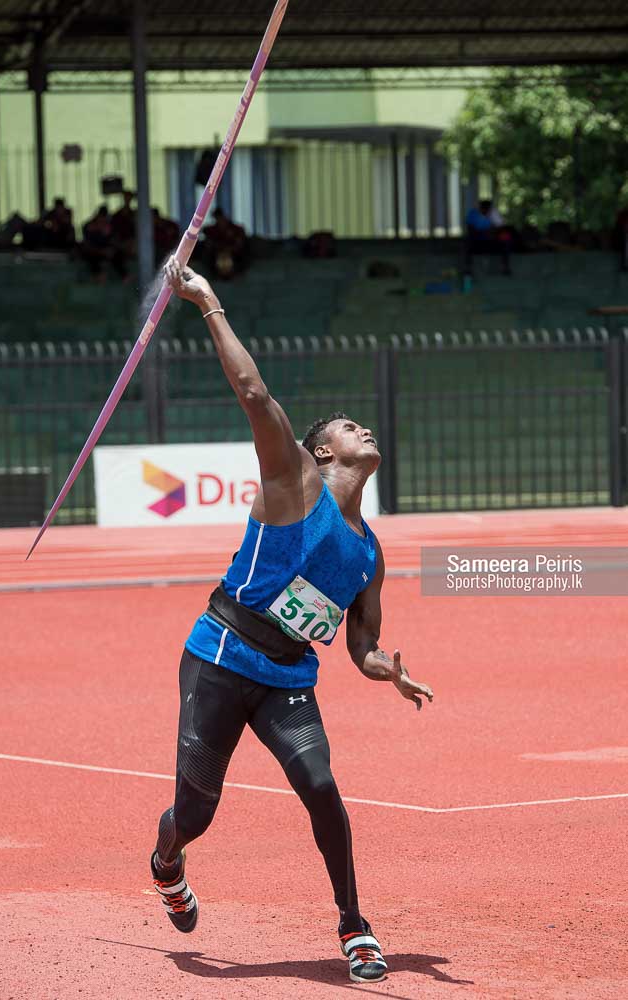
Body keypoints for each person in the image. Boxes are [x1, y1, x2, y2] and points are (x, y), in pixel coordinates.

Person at [150, 257, 434, 985]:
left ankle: (354, 925)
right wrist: (207, 301)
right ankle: (167, 860)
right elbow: (253, 392)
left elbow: (363, 644)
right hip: (220, 656)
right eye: (348, 426)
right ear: (322, 451)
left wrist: (387, 672)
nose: (364, 427)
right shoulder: (294, 481)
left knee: (321, 785)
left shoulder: (369, 553)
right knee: (196, 814)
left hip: (286, 679)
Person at [465, 198, 511, 276]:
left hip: (491, 240)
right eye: (484, 209)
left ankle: (505, 267)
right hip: (477, 239)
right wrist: (482, 233)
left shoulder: (493, 214)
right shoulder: (473, 214)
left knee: (505, 240)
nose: (486, 211)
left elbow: (500, 228)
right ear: (480, 208)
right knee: (468, 243)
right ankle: (468, 268)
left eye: (487, 209)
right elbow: (470, 229)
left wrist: (492, 232)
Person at [202, 206, 249, 278]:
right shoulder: (212, 230)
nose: (220, 220)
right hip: (217, 252)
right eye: (217, 218)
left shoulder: (235, 229)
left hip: (233, 252)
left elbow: (240, 243)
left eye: (220, 217)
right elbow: (205, 234)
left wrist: (230, 249)